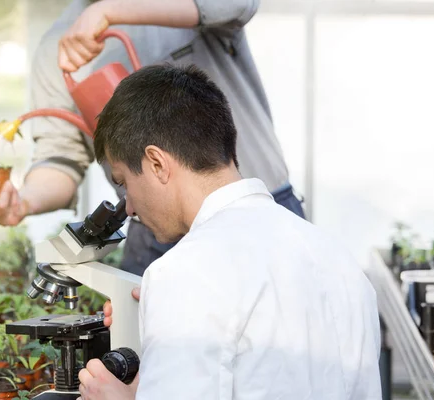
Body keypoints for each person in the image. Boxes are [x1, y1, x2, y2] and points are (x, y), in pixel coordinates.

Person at [76, 64, 382, 399]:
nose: (129, 207)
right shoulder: (340, 262)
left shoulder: (184, 273)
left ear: (157, 164)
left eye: (123, 184)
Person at [0, 0, 306, 277]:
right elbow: (60, 159)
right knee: (148, 349)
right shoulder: (55, 49)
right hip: (155, 232)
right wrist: (22, 202)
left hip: (260, 209)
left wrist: (109, 12)